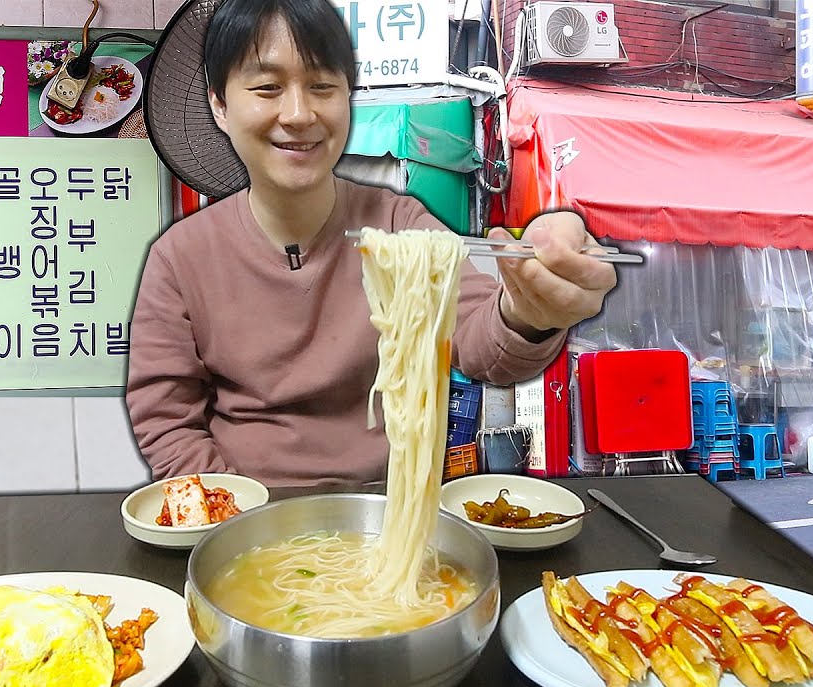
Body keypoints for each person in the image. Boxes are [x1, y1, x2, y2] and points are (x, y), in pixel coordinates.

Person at [127, 0, 617, 487]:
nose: (298, 114)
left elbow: (480, 341)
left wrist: (528, 311)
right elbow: (165, 418)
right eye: (267, 88)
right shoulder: (180, 258)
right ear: (220, 105)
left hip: (385, 507)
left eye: (322, 86)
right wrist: (235, 510)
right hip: (244, 512)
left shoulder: (399, 226)